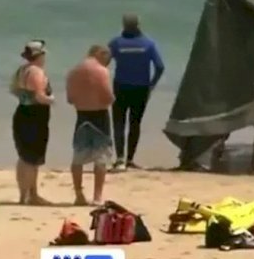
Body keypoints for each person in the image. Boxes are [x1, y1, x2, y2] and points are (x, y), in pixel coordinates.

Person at [108, 14, 165, 170]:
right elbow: (160, 67)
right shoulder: (148, 44)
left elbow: (103, 63)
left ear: (123, 25)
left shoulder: (115, 43)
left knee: (118, 122)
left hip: (120, 87)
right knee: (135, 123)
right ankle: (130, 159)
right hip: (141, 88)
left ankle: (119, 159)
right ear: (139, 25)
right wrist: (151, 85)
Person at [66, 45, 115, 205]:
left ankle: (79, 194)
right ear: (100, 54)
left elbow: (70, 98)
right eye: (108, 58)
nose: (108, 62)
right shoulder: (102, 71)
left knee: (78, 157)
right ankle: (97, 196)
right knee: (101, 158)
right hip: (99, 116)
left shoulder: (73, 72)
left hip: (81, 116)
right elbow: (108, 97)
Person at [10, 40, 54, 205]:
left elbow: (14, 90)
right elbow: (40, 97)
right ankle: (31, 195)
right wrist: (52, 100)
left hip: (22, 112)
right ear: (39, 56)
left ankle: (25, 195)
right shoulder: (37, 72)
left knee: (24, 156)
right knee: (31, 157)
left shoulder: (21, 71)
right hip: (35, 116)